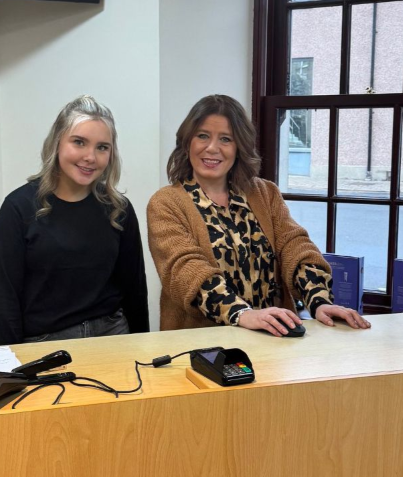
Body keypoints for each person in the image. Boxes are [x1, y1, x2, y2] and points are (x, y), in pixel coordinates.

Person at [147, 94, 370, 336]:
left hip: (276, 340)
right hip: (202, 348)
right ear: (187, 141)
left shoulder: (265, 193)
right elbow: (185, 271)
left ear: (239, 146)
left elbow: (295, 247)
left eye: (226, 139)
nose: (212, 148)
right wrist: (242, 314)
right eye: (202, 136)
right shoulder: (166, 203)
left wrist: (318, 300)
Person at [0, 95, 149, 346]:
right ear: (57, 143)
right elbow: (2, 297)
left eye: (102, 147)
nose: (90, 157)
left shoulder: (119, 209)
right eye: (79, 142)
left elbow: (135, 288)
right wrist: (12, 365)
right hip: (44, 344)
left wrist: (142, 350)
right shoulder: (18, 208)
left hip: (113, 338)